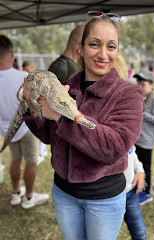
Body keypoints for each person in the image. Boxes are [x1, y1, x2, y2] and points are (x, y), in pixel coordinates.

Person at [23, 13, 143, 240]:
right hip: (64, 194)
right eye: (94, 44)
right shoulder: (65, 87)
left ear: (117, 52)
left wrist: (61, 117)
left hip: (104, 199)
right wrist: (32, 106)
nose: (102, 54)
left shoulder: (127, 94)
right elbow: (48, 136)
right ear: (81, 49)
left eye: (111, 46)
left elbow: (114, 148)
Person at [0, 35, 49, 209]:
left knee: (15, 159)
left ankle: (15, 193)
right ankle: (28, 197)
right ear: (11, 54)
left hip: (6, 130)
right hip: (27, 127)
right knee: (30, 161)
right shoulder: (24, 77)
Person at [133, 69, 154, 205]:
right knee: (137, 165)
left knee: (145, 167)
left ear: (152, 85)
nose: (140, 86)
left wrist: (142, 113)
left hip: (147, 141)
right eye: (138, 83)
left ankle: (146, 193)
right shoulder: (141, 98)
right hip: (138, 139)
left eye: (143, 84)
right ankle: (138, 187)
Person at [22, 60, 48, 164]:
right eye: (25, 72)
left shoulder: (40, 78)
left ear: (33, 69)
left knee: (42, 131)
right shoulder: (27, 80)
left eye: (28, 71)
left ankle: (41, 153)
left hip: (41, 108)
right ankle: (41, 152)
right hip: (33, 109)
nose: (27, 74)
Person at [124, 145, 146, 240]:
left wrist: (139, 170)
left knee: (140, 232)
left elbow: (132, 152)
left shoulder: (127, 131)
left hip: (130, 192)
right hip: (106, 197)